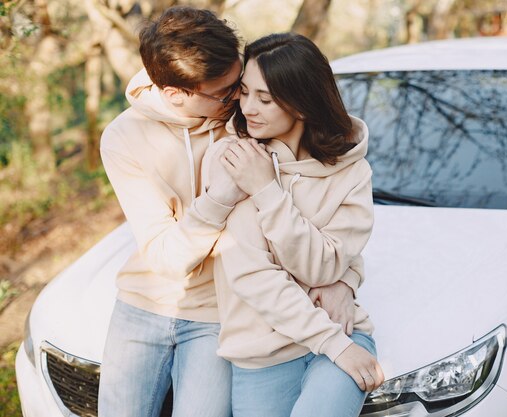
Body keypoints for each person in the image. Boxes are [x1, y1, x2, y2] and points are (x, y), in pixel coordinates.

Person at [98, 7, 356, 417]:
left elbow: (324, 208)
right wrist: (221, 195)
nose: (240, 98)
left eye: (242, 83)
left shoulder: (253, 120)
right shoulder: (123, 138)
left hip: (220, 314)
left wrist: (346, 279)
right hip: (141, 305)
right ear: (176, 93)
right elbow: (168, 259)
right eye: (227, 92)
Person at [205, 33, 385, 417]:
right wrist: (334, 338)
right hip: (263, 357)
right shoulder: (233, 159)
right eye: (245, 92)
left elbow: (324, 265)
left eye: (265, 99)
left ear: (302, 105)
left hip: (344, 335)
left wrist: (267, 192)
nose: (249, 108)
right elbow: (254, 277)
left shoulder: (351, 171)